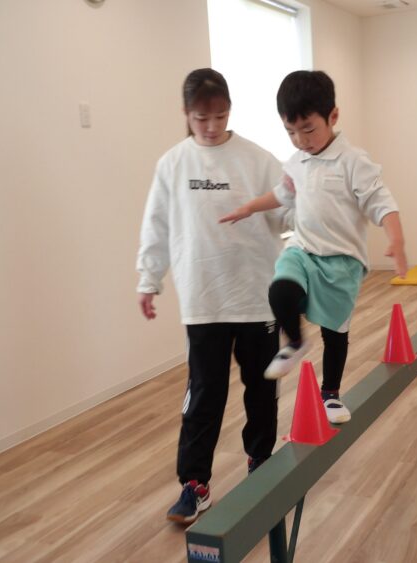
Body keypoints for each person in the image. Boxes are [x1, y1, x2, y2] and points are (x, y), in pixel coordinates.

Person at [136, 68, 290, 525]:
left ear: (229, 111)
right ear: (186, 113)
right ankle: (194, 484)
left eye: (220, 116)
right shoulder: (173, 164)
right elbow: (156, 225)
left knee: (261, 388)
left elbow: (287, 214)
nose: (211, 126)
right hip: (203, 299)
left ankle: (260, 463)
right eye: (201, 118)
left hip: (256, 295)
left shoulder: (258, 160)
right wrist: (148, 278)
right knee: (204, 393)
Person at [220, 70, 407, 425]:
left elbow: (380, 201)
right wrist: (249, 207)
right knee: (280, 290)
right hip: (303, 250)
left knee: (336, 333)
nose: (300, 140)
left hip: (342, 261)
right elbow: (282, 195)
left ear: (333, 116)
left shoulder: (353, 161)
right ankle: (294, 342)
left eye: (308, 129)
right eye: (290, 132)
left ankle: (330, 394)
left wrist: (396, 239)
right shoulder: (296, 162)